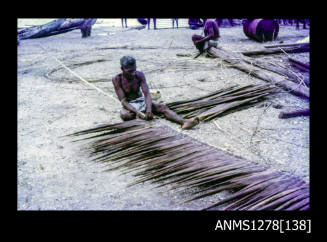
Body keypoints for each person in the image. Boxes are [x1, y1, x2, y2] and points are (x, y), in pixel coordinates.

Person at [112, 56, 199, 129]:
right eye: (130, 71)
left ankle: (183, 122)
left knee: (162, 107)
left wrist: (149, 108)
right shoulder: (117, 79)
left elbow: (146, 94)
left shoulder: (139, 75)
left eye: (134, 70)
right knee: (125, 115)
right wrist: (137, 112)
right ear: (122, 69)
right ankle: (140, 118)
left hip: (141, 100)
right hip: (130, 104)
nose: (133, 73)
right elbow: (123, 101)